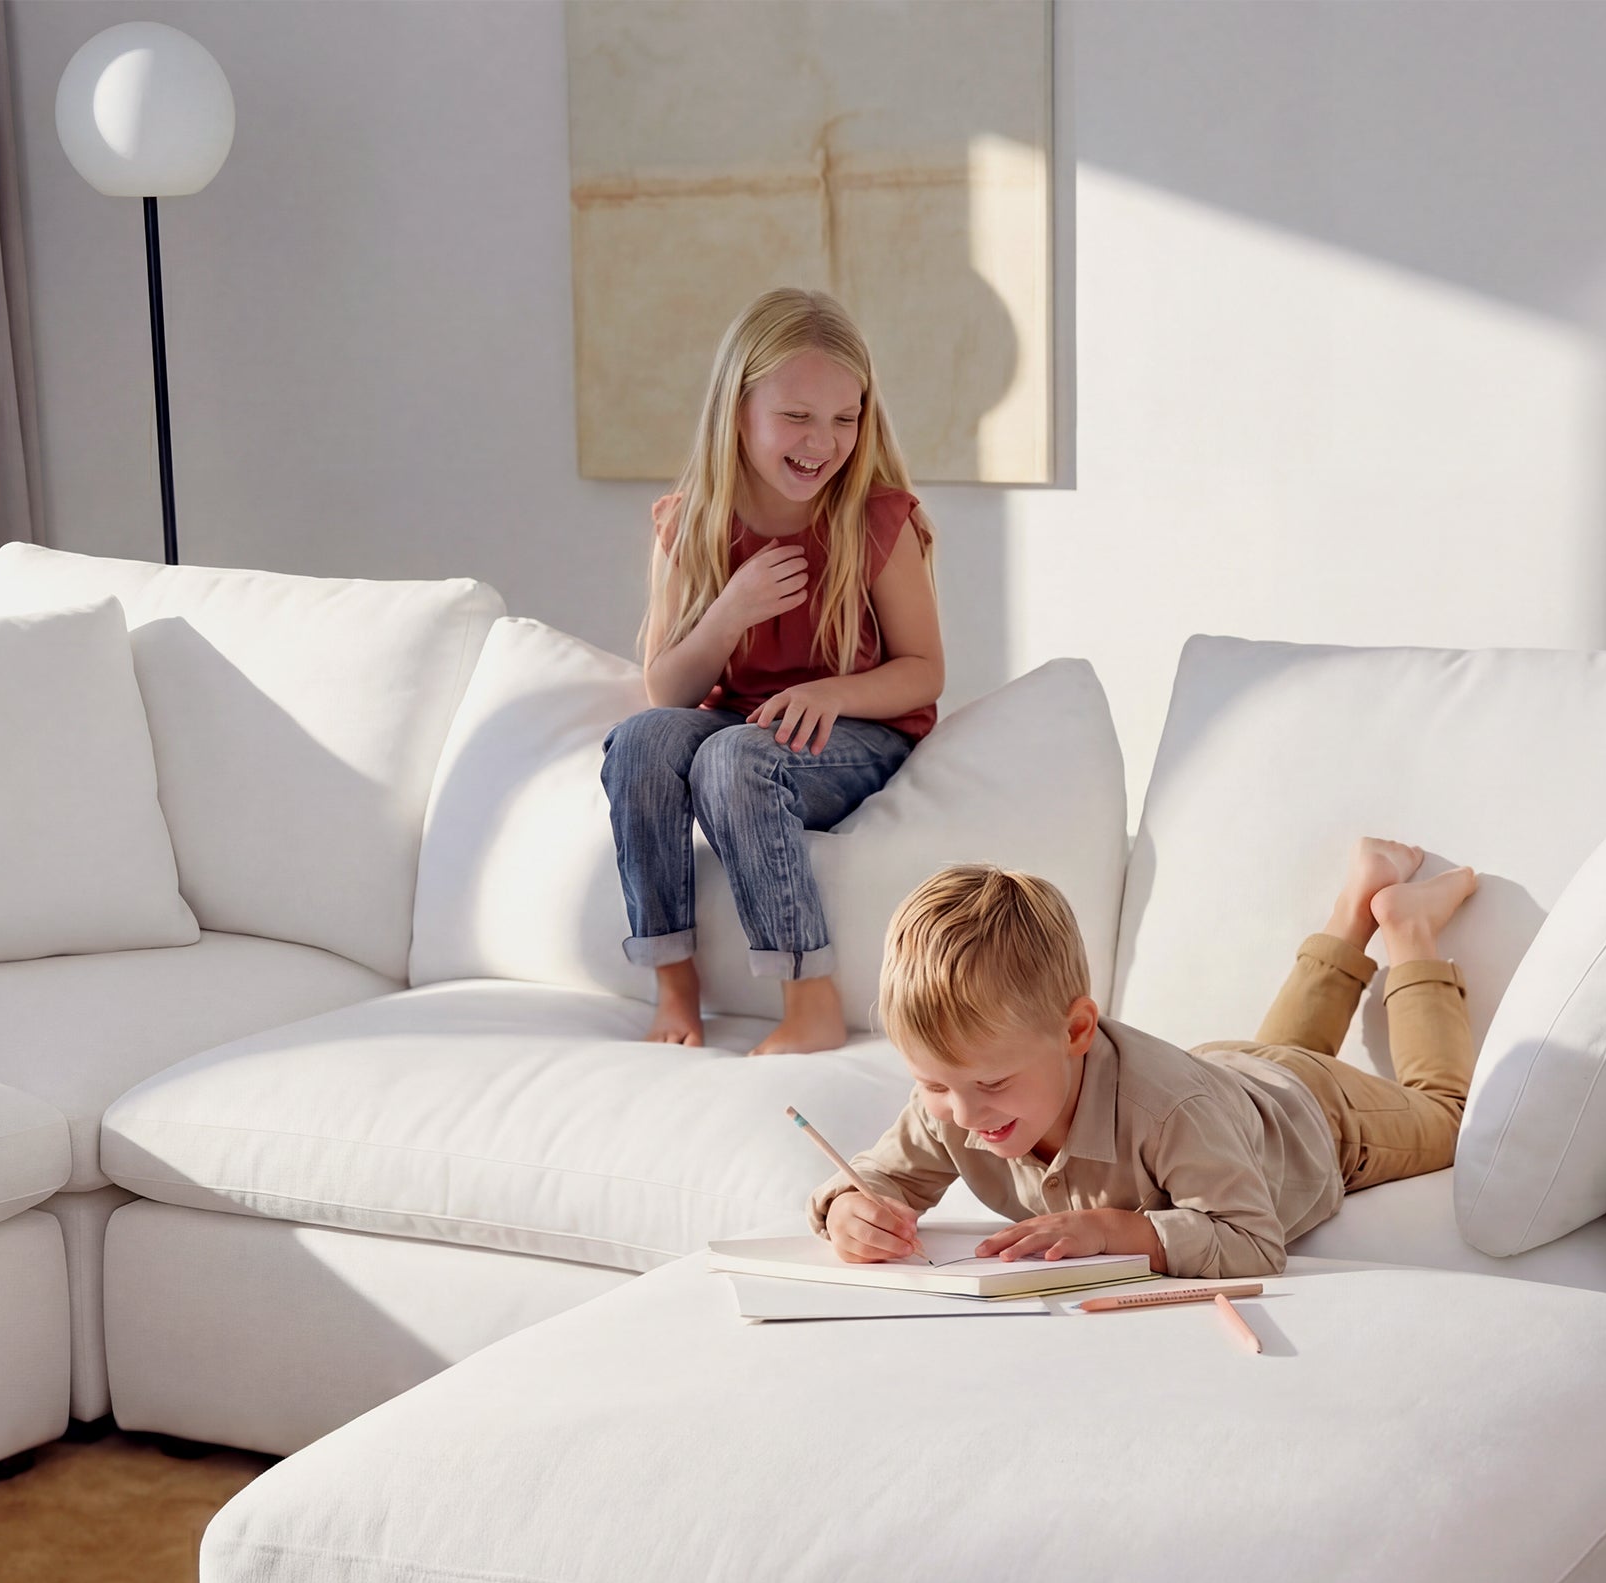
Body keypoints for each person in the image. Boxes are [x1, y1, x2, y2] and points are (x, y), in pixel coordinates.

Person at [811, 843, 1479, 1279]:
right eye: (932, 1083)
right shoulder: (957, 1097)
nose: (965, 1115)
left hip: (1314, 1114)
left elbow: (1253, 1241)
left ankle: (1405, 924)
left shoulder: (1168, 1113)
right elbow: (877, 1181)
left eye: (990, 1083)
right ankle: (1350, 913)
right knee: (1281, 1053)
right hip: (1225, 1081)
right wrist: (849, 1209)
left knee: (1448, 1117)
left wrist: (1115, 1232)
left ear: (1076, 1030)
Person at [602, 287, 946, 1056]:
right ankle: (674, 982)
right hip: (747, 726)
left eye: (844, 419)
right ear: (738, 411)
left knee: (732, 757)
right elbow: (668, 691)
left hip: (855, 734)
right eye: (796, 416)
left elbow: (924, 672)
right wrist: (730, 610)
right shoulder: (691, 522)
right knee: (642, 740)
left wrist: (829, 693)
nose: (822, 442)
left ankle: (809, 999)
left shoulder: (874, 519)